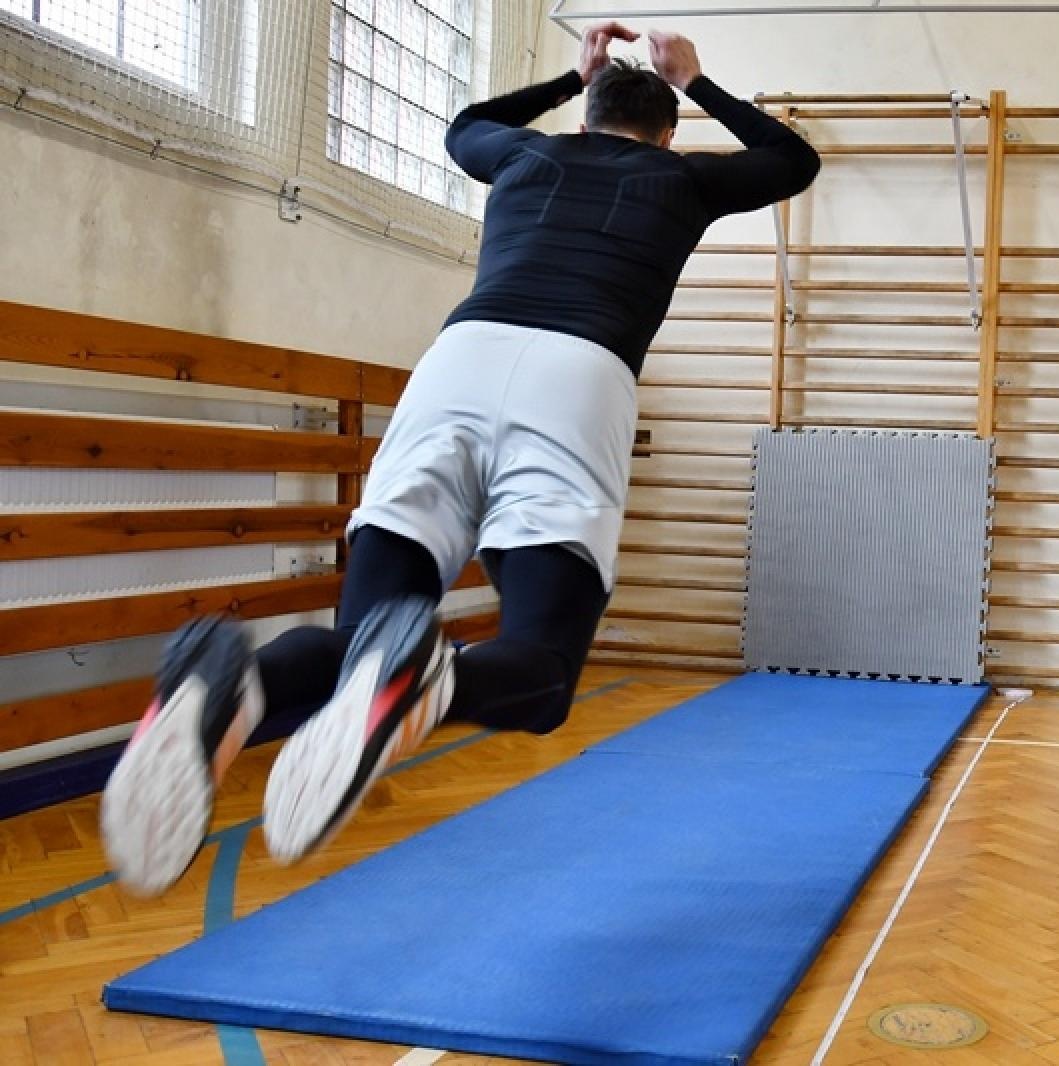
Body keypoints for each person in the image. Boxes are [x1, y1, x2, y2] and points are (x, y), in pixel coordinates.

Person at [99, 24, 821, 895]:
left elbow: (462, 124)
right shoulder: (682, 173)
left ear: (586, 121)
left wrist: (569, 73)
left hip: (455, 367)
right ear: (665, 133)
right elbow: (791, 160)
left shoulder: (523, 156)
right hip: (577, 374)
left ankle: (236, 681)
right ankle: (429, 685)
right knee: (542, 672)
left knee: (363, 641)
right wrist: (696, 81)